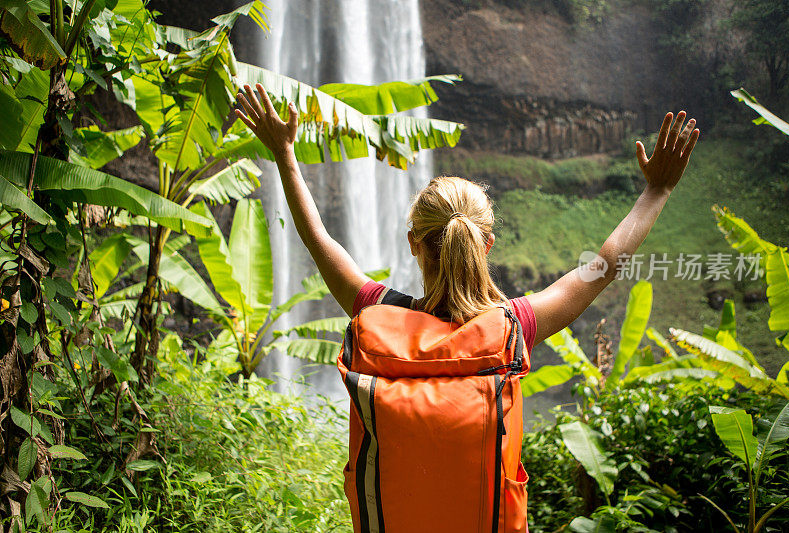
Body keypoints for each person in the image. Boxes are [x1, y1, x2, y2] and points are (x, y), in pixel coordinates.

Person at [235, 83, 699, 530]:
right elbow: (604, 265)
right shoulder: (513, 327)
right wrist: (656, 191)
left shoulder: (375, 315)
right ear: (487, 244)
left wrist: (285, 155)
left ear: (414, 242)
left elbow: (318, 239)